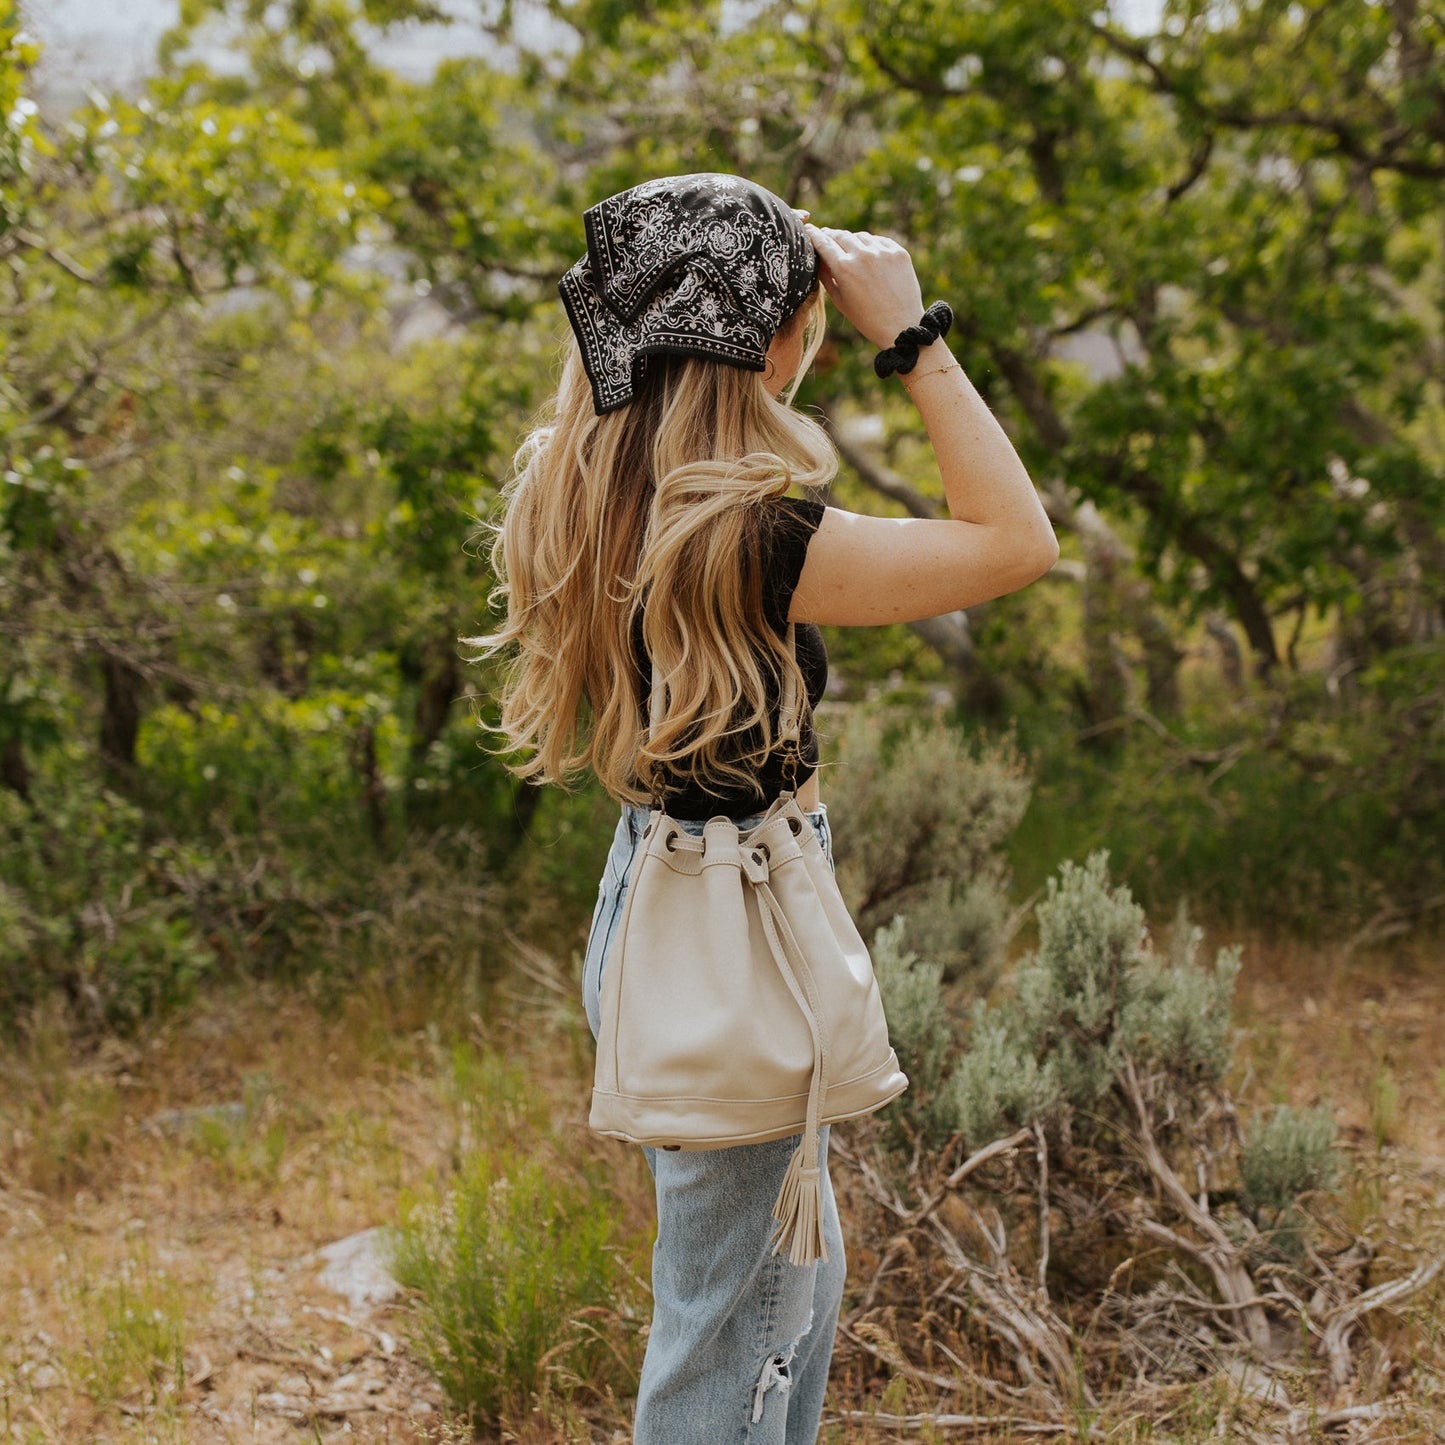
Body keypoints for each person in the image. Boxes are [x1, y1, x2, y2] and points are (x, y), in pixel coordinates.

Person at [472, 173, 1057, 1444]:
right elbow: (1016, 541)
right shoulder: (747, 534)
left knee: (784, 1278)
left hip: (662, 890)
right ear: (776, 342)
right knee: (729, 1324)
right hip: (722, 924)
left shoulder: (587, 483)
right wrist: (910, 340)